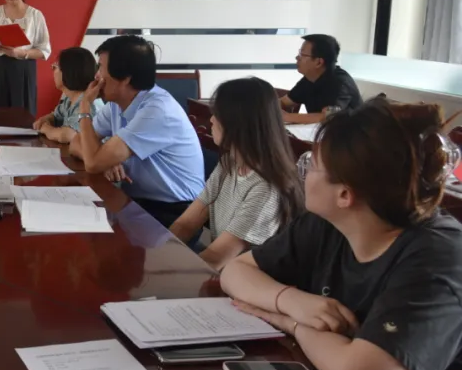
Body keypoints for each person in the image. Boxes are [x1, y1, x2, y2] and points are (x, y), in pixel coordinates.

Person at [215, 99, 462, 370]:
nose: (302, 173)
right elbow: (235, 271)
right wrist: (292, 300)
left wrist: (294, 324)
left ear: (345, 194)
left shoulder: (438, 256)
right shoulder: (328, 224)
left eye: (311, 166)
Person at [169, 78, 303, 270]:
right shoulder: (229, 163)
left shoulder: (266, 188)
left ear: (238, 123)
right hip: (223, 273)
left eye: (217, 114)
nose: (211, 120)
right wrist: (159, 252)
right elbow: (186, 223)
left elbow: (215, 259)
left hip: (244, 282)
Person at [71, 35, 204, 228]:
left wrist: (84, 108)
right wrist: (104, 161)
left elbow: (92, 163)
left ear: (125, 78)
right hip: (138, 201)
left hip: (175, 211)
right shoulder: (116, 104)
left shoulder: (157, 110)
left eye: (101, 68)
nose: (96, 76)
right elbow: (76, 143)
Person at [279, 34, 362, 124]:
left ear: (319, 62)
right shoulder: (309, 79)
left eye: (302, 54)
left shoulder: (340, 83)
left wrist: (287, 117)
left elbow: (327, 117)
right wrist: (272, 108)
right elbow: (284, 102)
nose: (297, 58)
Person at [33, 47, 97, 144]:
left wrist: (46, 128)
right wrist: (45, 120)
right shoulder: (69, 100)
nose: (53, 71)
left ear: (68, 72)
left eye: (55, 67)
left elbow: (67, 135)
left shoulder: (86, 101)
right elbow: (55, 116)